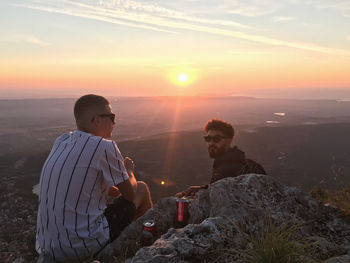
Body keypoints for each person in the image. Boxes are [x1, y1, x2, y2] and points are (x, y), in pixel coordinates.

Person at [36, 94, 153, 261]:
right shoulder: (104, 146)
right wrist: (129, 172)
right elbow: (131, 195)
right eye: (111, 117)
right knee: (141, 188)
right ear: (97, 120)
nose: (114, 122)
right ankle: (152, 240)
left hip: (50, 247)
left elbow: (87, 187)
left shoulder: (61, 141)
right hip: (81, 245)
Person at [177, 118, 266, 197]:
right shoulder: (246, 163)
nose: (211, 143)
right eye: (208, 139)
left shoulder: (227, 169)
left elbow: (218, 198)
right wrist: (202, 189)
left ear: (229, 140)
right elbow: (223, 188)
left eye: (216, 139)